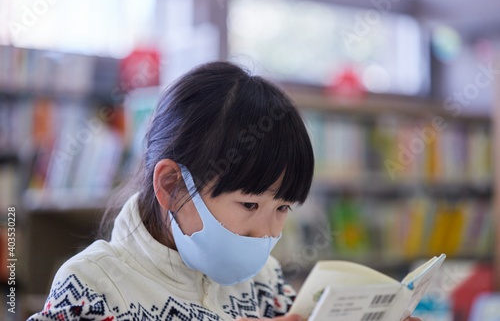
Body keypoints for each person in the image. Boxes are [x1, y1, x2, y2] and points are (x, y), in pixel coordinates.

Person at [28, 61, 421, 321]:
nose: (267, 232)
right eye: (249, 203)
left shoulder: (264, 281)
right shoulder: (92, 285)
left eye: (282, 207)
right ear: (171, 185)